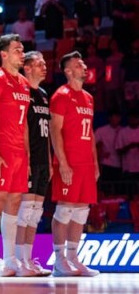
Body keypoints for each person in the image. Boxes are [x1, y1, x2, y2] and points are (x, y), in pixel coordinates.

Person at [0, 34, 31, 277]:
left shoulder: (24, 83)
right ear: (3, 54)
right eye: (17, 50)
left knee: (14, 201)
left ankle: (10, 258)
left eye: (22, 50)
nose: (22, 54)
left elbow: (24, 123)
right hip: (1, 149)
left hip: (19, 151)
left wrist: (27, 155)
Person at [49, 51, 100, 276]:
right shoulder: (61, 95)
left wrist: (95, 163)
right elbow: (55, 130)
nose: (84, 67)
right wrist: (62, 162)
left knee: (81, 212)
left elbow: (90, 132)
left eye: (84, 64)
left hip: (86, 163)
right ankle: (59, 261)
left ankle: (73, 258)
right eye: (79, 65)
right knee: (64, 210)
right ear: (68, 71)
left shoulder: (88, 98)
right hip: (68, 162)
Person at [16, 51, 52, 276]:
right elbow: (22, 128)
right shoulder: (23, 91)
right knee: (25, 211)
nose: (44, 66)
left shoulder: (44, 94)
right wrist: (26, 157)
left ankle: (28, 259)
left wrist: (49, 160)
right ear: (27, 68)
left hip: (43, 160)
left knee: (36, 212)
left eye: (44, 63)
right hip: (28, 159)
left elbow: (46, 132)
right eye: (39, 64)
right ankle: (19, 260)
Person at [94, 111, 124, 183]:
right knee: (106, 186)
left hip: (121, 164)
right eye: (114, 117)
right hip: (106, 163)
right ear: (109, 118)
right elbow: (93, 145)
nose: (115, 119)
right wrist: (100, 153)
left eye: (117, 117)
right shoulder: (101, 131)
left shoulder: (123, 130)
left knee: (119, 187)